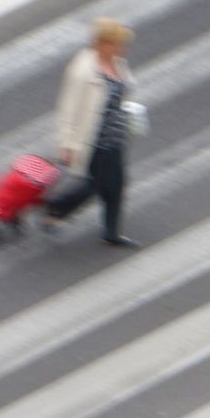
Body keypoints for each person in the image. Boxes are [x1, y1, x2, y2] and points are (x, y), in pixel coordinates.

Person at [42, 17, 140, 247]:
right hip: (93, 139)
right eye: (118, 44)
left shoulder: (116, 63)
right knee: (105, 183)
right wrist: (66, 142)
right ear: (103, 43)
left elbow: (123, 92)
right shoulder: (83, 70)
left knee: (107, 183)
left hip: (115, 134)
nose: (122, 49)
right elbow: (68, 107)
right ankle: (60, 208)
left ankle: (61, 211)